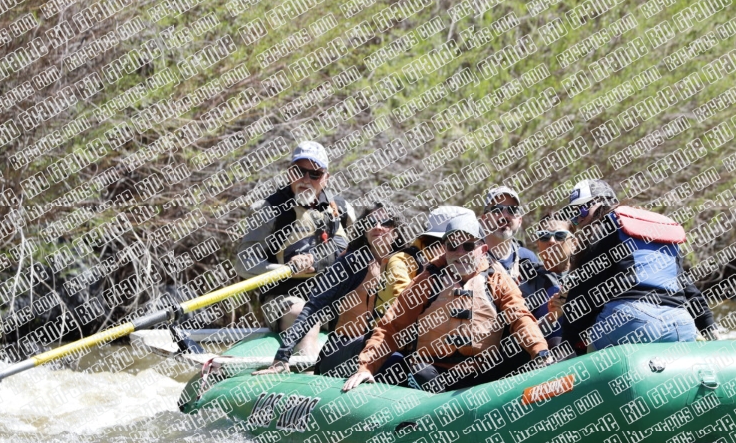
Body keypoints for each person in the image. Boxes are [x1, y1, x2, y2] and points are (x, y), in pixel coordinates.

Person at [342, 216, 550, 393]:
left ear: (482, 249)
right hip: (433, 373)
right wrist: (366, 367)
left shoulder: (497, 279)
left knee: (524, 357)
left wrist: (539, 350)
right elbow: (391, 327)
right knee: (417, 373)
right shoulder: (427, 280)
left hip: (484, 374)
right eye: (453, 246)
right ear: (445, 248)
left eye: (468, 246)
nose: (460, 252)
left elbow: (520, 317)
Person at [253, 204, 415, 378]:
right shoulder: (349, 264)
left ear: (397, 231)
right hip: (343, 350)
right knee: (382, 350)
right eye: (371, 222)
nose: (377, 226)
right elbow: (313, 308)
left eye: (386, 222)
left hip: (390, 347)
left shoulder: (411, 263)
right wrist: (282, 357)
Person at [559, 179, 715, 354]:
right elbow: (689, 289)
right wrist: (709, 329)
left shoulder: (602, 230)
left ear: (599, 203)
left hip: (630, 323)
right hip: (681, 325)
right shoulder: (658, 230)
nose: (578, 220)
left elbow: (582, 297)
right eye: (573, 213)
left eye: (581, 210)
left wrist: (566, 349)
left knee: (585, 350)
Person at [235, 141, 351, 357]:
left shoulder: (335, 207)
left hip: (324, 294)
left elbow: (342, 245)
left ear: (326, 178)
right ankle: (307, 376)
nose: (305, 180)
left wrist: (313, 259)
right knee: (303, 314)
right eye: (299, 171)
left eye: (314, 174)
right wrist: (285, 269)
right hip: (283, 297)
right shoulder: (269, 211)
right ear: (290, 173)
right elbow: (243, 262)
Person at [479, 186, 541, 294]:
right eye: (497, 209)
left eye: (512, 210)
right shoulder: (471, 257)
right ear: (484, 219)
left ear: (520, 220)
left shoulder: (528, 259)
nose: (505, 215)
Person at [527, 219, 577, 349]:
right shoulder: (527, 285)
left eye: (560, 235)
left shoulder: (589, 277)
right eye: (544, 236)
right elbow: (521, 338)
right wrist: (551, 318)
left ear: (574, 244)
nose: (552, 241)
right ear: (538, 244)